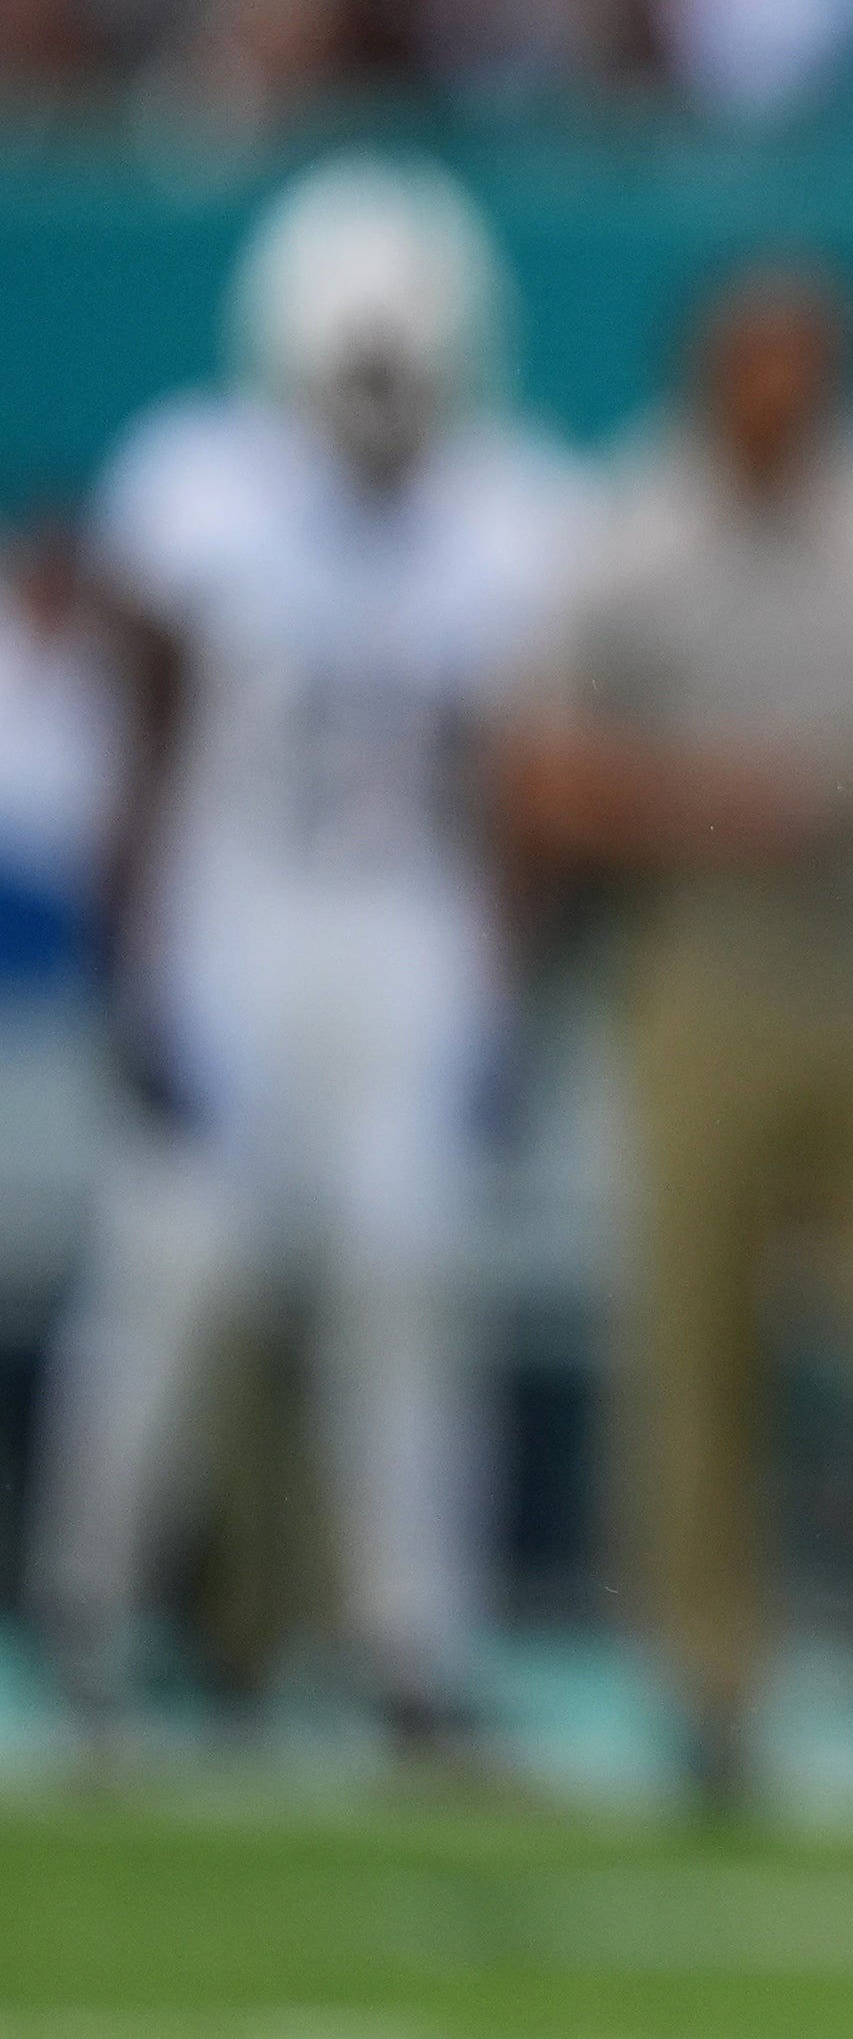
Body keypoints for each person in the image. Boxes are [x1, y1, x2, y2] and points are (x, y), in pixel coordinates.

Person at [30, 151, 573, 1767]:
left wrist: (503, 994)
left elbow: (512, 792)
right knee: (172, 1276)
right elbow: (138, 754)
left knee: (410, 1278)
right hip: (231, 921)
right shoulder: (196, 486)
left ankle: (414, 1639)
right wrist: (137, 974)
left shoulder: (505, 512)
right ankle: (92, 1612)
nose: (382, 404)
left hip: (407, 935)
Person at [502, 264, 853, 1815]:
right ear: (710, 371)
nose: (784, 390)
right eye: (758, 361)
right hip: (702, 965)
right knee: (699, 1335)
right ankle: (711, 1679)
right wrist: (715, 802)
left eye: (809, 361)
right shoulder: (630, 535)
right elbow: (541, 769)